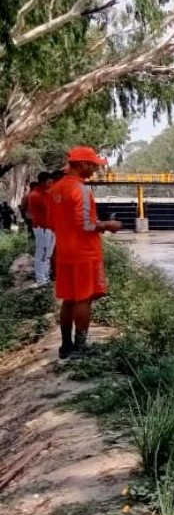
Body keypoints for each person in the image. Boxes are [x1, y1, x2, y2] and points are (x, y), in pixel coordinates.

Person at [49, 147, 121, 359]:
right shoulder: (80, 189)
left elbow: (57, 223)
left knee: (69, 299)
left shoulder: (56, 189)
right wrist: (108, 224)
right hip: (84, 253)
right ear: (82, 164)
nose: (95, 169)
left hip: (65, 252)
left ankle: (65, 346)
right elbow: (86, 225)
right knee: (84, 299)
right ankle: (80, 347)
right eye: (93, 165)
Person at [27, 171, 56, 286]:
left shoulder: (46, 193)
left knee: (48, 254)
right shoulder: (36, 195)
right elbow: (50, 207)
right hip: (42, 228)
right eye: (49, 182)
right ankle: (41, 280)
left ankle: (46, 277)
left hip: (50, 227)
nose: (51, 184)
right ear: (43, 182)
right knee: (42, 254)